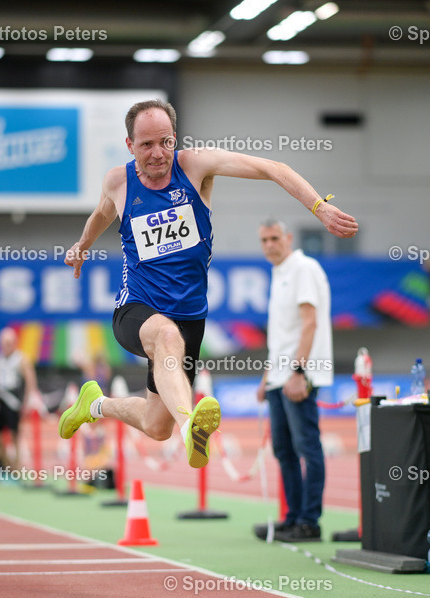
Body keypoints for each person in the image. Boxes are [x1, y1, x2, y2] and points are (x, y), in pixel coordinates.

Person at [58, 99, 357, 469]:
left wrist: (319, 206)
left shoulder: (196, 165)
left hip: (189, 316)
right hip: (136, 306)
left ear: (175, 139)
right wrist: (82, 246)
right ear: (129, 145)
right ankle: (191, 431)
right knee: (166, 338)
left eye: (165, 142)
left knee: (155, 425)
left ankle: (95, 404)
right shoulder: (118, 181)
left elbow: (272, 167)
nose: (157, 154)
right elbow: (102, 213)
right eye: (146, 144)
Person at [254, 220, 333, 542]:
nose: (269, 244)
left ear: (288, 238)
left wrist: (298, 373)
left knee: (307, 447)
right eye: (264, 240)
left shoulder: (303, 268)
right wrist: (267, 377)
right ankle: (292, 517)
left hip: (300, 375)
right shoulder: (280, 274)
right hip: (278, 377)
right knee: (284, 450)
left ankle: (310, 521)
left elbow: (310, 324)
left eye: (275, 238)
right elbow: (281, 337)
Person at [0, 327, 40, 469]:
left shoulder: (21, 359)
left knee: (15, 435)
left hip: (14, 400)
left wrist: (27, 402)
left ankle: (17, 468)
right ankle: (7, 466)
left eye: (8, 343)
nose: (5, 346)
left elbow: (31, 382)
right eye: (3, 343)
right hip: (0, 399)